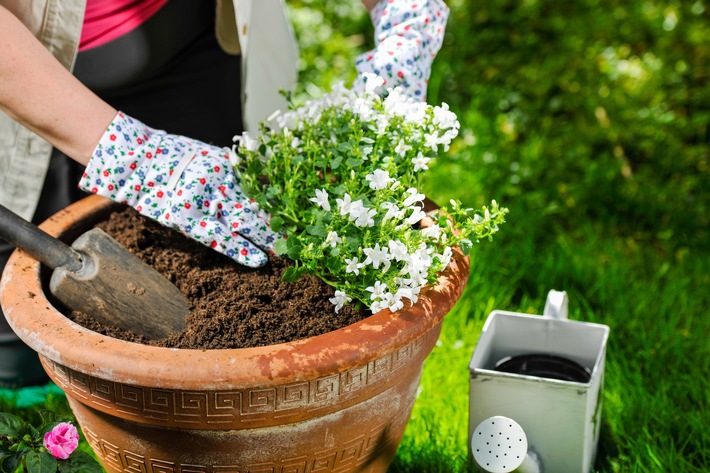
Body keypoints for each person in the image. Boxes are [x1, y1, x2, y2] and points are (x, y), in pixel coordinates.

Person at [0, 0, 449, 387]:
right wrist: (137, 156)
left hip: (189, 38)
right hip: (20, 71)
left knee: (224, 219)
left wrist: (406, 18)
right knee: (19, 331)